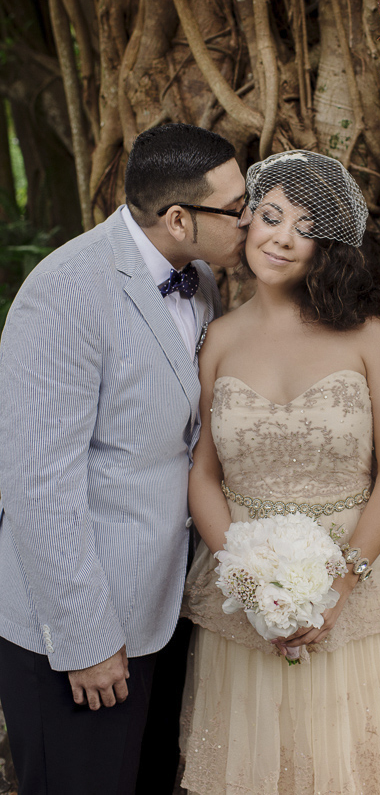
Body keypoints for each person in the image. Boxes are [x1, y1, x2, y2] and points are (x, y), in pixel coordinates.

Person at [0, 123, 250, 795]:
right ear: (177, 218)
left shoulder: (198, 277)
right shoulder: (66, 292)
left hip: (163, 613)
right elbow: (37, 485)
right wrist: (84, 638)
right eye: (237, 207)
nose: (251, 219)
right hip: (82, 630)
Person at [180, 149, 380, 794]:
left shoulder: (367, 335)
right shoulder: (219, 338)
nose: (283, 237)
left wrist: (338, 585)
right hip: (243, 597)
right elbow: (202, 474)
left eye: (306, 228)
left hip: (355, 589)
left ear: (328, 249)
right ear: (247, 223)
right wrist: (248, 580)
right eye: (270, 216)